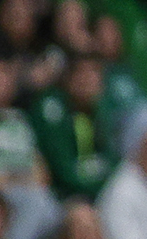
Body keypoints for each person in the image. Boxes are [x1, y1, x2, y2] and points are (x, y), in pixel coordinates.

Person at [0, 55, 62, 239]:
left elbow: (42, 174)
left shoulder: (18, 121)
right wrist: (10, 180)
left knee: (54, 211)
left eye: (5, 82)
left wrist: (18, 181)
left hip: (23, 192)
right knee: (37, 203)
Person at [34, 57, 124, 202]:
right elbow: (63, 173)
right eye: (81, 73)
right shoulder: (52, 108)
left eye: (93, 74)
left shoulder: (101, 111)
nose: (87, 80)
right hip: (59, 196)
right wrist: (104, 186)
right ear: (68, 77)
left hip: (96, 192)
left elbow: (114, 162)